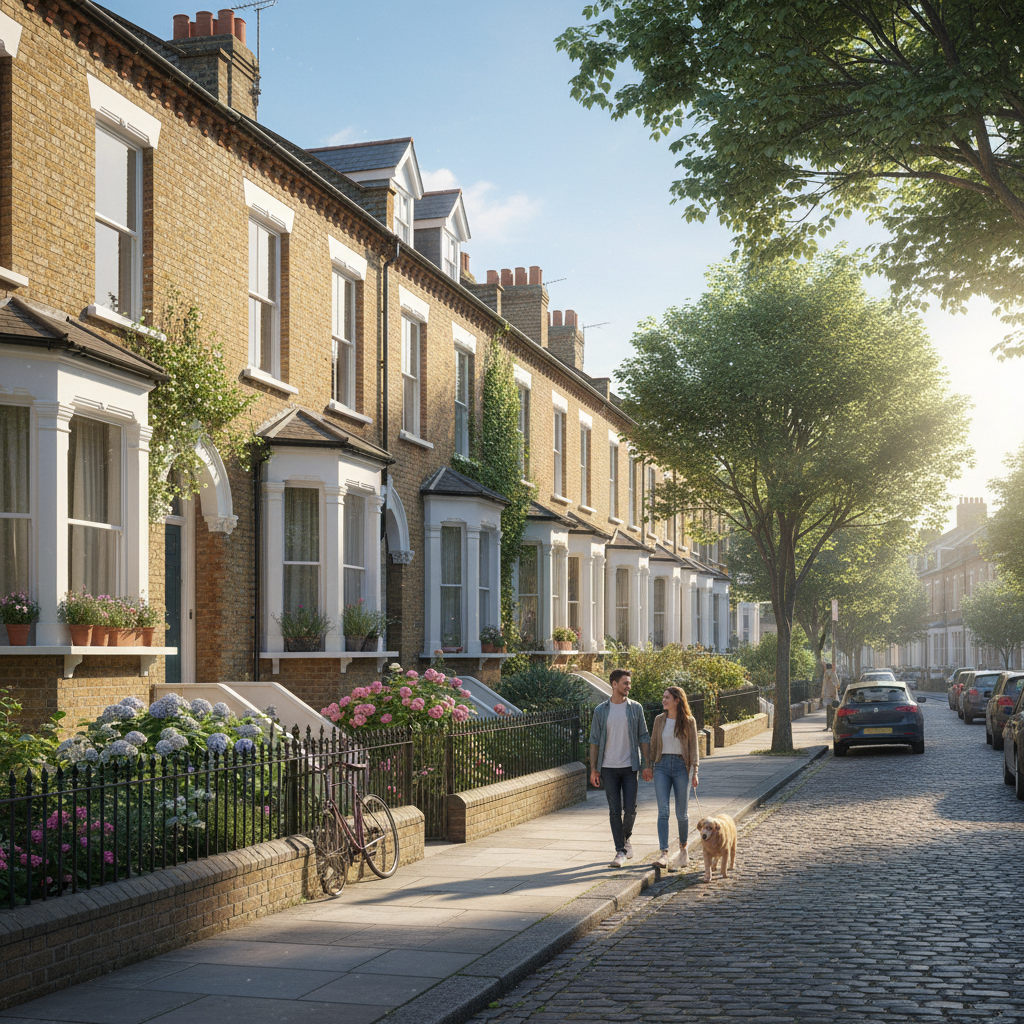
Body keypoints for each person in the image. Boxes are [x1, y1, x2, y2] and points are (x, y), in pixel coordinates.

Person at [589, 668, 652, 868]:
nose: (628, 686)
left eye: (629, 683)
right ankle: (620, 851)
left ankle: (625, 839)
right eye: (625, 683)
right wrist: (593, 768)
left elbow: (643, 736)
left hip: (629, 766)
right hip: (607, 768)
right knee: (614, 810)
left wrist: (646, 764)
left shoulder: (635, 708)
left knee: (631, 809)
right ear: (614, 684)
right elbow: (594, 741)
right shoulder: (601, 710)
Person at [650, 685, 699, 870]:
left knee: (682, 813)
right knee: (663, 811)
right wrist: (648, 766)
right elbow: (654, 744)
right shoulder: (658, 720)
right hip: (661, 766)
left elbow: (694, 748)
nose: (663, 700)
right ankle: (664, 853)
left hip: (681, 767)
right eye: (663, 697)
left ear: (677, 700)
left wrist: (695, 772)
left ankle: (683, 850)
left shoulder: (688, 721)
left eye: (667, 697)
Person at [822, 662, 840, 730]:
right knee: (833, 711)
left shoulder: (826, 673)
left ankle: (828, 726)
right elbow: (837, 684)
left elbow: (825, 684)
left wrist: (822, 694)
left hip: (827, 694)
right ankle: (832, 725)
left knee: (829, 711)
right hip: (833, 694)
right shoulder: (832, 673)